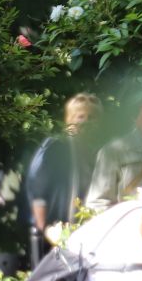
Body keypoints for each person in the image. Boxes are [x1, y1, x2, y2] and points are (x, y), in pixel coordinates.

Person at [26, 93, 101, 252]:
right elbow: (37, 192)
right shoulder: (55, 147)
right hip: (58, 238)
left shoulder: (102, 153)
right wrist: (46, 232)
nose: (87, 122)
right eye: (81, 117)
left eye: (92, 117)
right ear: (69, 120)